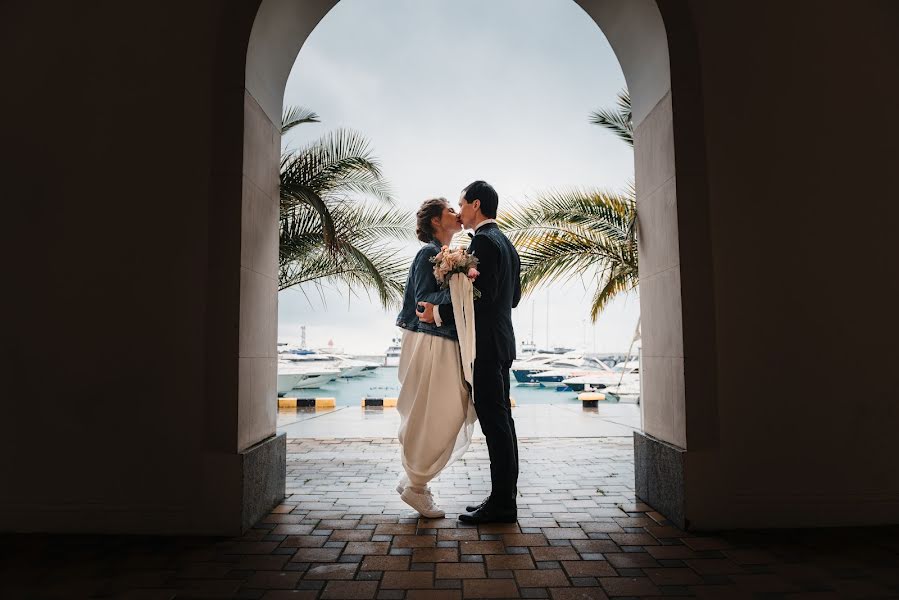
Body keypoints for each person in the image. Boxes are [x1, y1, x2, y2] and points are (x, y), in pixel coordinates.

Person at [417, 181, 522, 524]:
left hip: (487, 346)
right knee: (503, 421)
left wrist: (440, 313)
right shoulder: (507, 243)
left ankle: (503, 505)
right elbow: (512, 298)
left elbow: (484, 297)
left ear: (475, 204)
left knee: (495, 424)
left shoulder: (483, 241)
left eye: (461, 204)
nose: (460, 211)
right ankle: (503, 497)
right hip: (503, 341)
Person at [394, 197, 477, 518]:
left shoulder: (441, 254)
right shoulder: (428, 253)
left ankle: (415, 478)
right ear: (435, 222)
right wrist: (464, 285)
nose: (457, 215)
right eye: (450, 212)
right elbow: (423, 300)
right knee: (440, 412)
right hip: (432, 343)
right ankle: (417, 486)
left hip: (441, 341)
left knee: (439, 411)